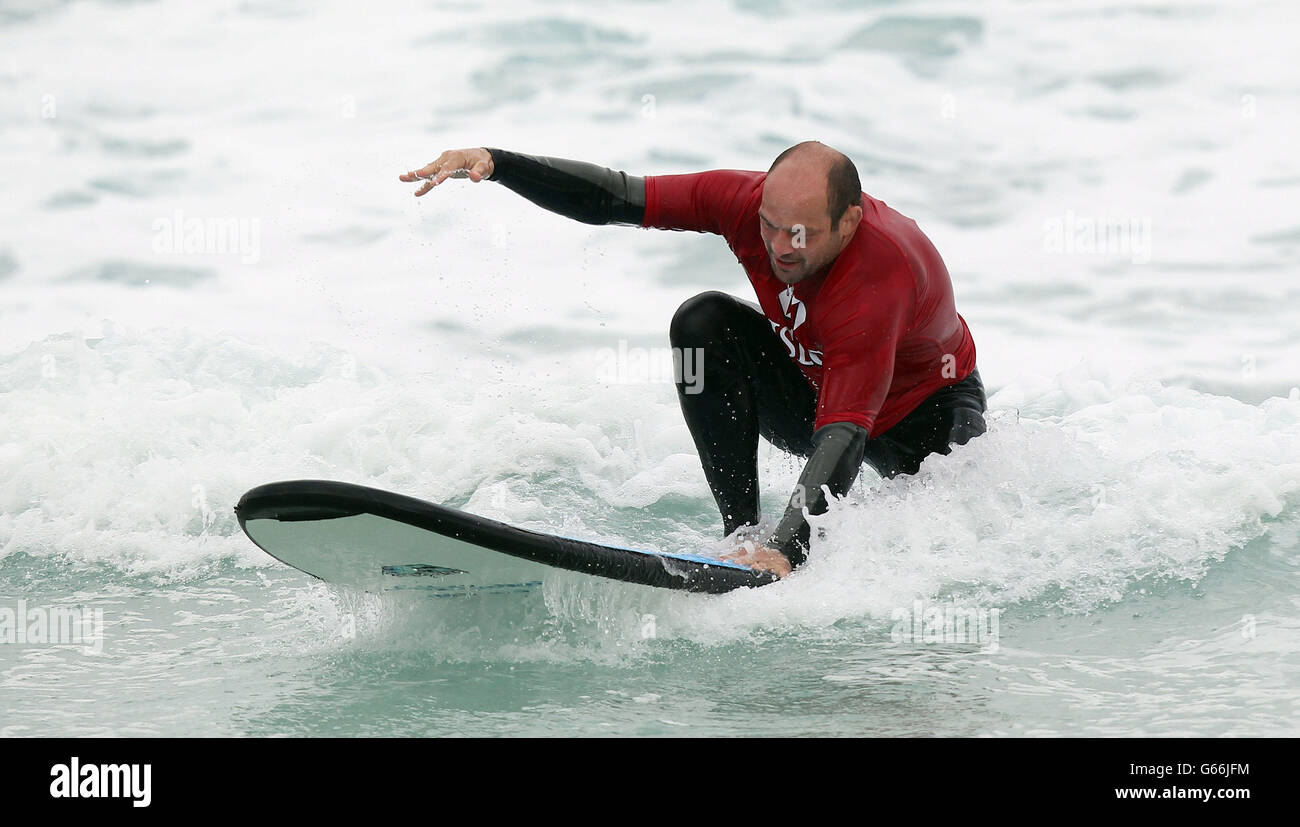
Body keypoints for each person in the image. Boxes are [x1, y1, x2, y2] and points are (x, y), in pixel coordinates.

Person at [399, 143, 986, 580]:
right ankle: (741, 537)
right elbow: (617, 195)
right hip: (822, 396)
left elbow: (845, 429)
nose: (781, 248)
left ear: (849, 222)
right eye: (770, 226)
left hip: (929, 427)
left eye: (801, 235)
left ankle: (774, 550)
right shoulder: (746, 203)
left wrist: (789, 550)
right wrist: (498, 163)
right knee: (701, 323)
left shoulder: (877, 276)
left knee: (936, 544)